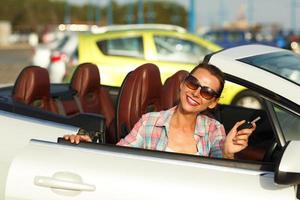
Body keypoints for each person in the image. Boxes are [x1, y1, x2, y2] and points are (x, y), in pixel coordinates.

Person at [64, 63, 256, 159]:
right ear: (182, 84)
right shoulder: (149, 122)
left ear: (213, 103)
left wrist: (228, 153)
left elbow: (221, 177)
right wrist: (88, 147)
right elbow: (118, 156)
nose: (196, 93)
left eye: (207, 92)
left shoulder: (214, 130)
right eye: (192, 83)